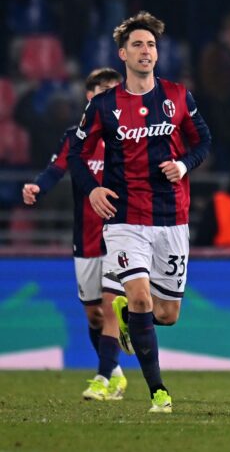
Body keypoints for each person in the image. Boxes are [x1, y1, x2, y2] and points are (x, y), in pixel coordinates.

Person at [67, 12, 212, 414]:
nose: (145, 51)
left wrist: (183, 164)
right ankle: (158, 392)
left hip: (172, 217)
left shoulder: (178, 96)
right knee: (142, 297)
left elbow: (203, 141)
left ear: (157, 53)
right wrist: (94, 188)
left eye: (150, 44)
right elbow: (76, 154)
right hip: (125, 218)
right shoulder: (103, 105)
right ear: (123, 54)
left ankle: (128, 318)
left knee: (167, 313)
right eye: (137, 45)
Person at [22, 67, 127, 401]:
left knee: (109, 308)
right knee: (94, 315)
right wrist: (37, 187)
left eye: (114, 91)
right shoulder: (75, 137)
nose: (108, 97)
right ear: (89, 96)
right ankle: (116, 374)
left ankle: (102, 378)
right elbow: (56, 170)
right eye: (102, 91)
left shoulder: (130, 136)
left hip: (121, 233)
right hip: (86, 236)